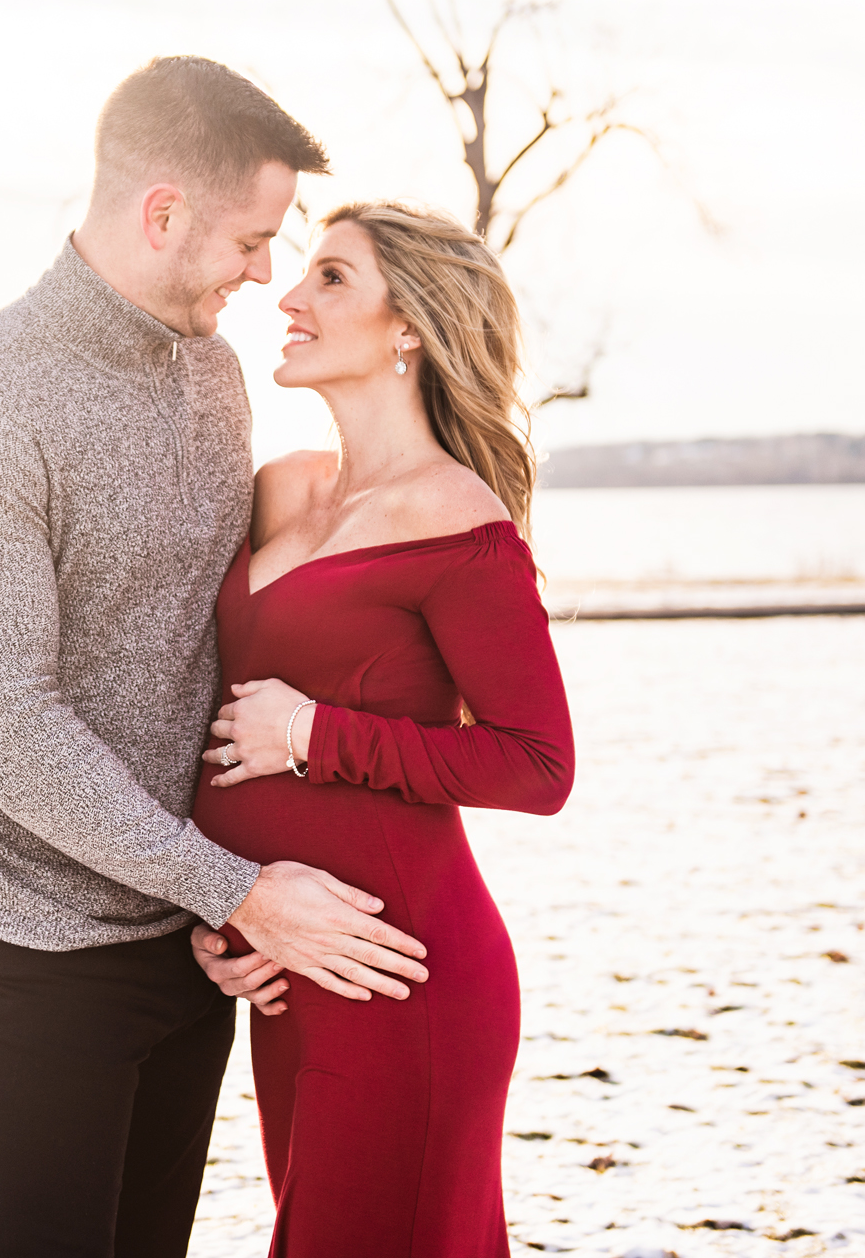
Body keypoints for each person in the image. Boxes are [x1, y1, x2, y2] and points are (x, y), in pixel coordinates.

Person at [0, 58, 431, 1258]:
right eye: (249, 239)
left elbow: (208, 644)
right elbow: (4, 728)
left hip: (186, 943)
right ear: (162, 211)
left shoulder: (213, 374)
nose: (262, 273)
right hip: (23, 948)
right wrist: (233, 886)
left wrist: (211, 897)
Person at [188, 200, 576, 1256]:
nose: (289, 295)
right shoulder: (281, 489)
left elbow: (537, 764)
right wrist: (221, 913)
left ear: (406, 325)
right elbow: (209, 719)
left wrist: (318, 731)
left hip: (401, 970)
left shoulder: (459, 520)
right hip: (289, 968)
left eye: (329, 278)